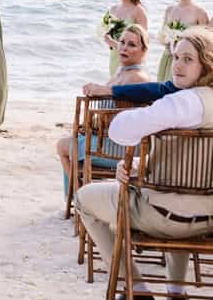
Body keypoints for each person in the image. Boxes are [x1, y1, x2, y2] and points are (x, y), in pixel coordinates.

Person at [74, 27, 213, 300]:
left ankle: (135, 287)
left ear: (208, 64)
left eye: (188, 59)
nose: (178, 66)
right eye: (176, 57)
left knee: (84, 199)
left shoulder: (182, 102)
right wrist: (140, 166)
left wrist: (140, 118)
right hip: (209, 217)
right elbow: (191, 166)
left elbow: (120, 132)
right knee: (174, 193)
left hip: (164, 217)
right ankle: (176, 292)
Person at [55, 25, 153, 183]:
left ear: (144, 51)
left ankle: (78, 197)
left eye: (132, 44)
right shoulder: (121, 74)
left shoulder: (137, 77)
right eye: (122, 42)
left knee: (63, 146)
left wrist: (93, 119)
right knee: (68, 142)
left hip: (118, 148)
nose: (124, 48)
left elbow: (122, 117)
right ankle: (78, 195)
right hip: (106, 139)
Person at [156, 0, 209, 82]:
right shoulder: (169, 10)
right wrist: (166, 41)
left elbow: (204, 41)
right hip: (169, 55)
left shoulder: (199, 12)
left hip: (187, 59)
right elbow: (163, 32)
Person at [100, 0, 149, 77]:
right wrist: (108, 39)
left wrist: (119, 44)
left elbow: (144, 40)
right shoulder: (113, 9)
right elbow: (104, 30)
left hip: (131, 57)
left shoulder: (138, 10)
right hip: (115, 55)